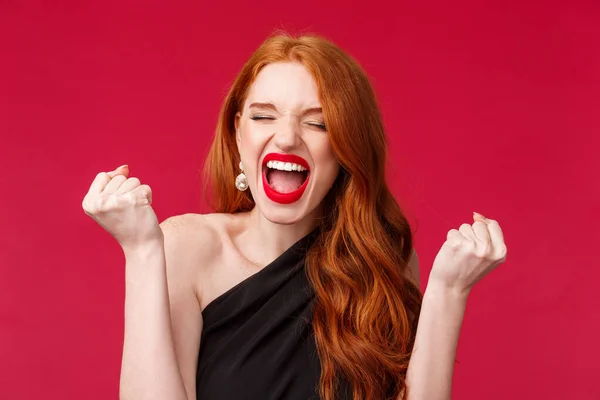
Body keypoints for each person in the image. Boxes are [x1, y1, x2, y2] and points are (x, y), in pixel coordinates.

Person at [82, 33, 507, 400]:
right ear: (237, 132)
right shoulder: (187, 248)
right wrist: (140, 252)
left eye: (318, 124)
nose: (285, 137)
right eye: (263, 116)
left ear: (346, 150)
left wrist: (449, 292)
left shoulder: (384, 262)